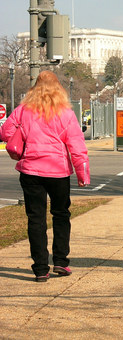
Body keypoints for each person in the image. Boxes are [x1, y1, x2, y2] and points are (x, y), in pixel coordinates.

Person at [0, 71, 90, 282]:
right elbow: (77, 145)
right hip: (58, 170)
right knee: (61, 214)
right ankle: (60, 260)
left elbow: (5, 132)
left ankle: (40, 268)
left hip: (30, 169)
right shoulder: (65, 113)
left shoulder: (23, 110)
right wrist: (82, 173)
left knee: (35, 219)